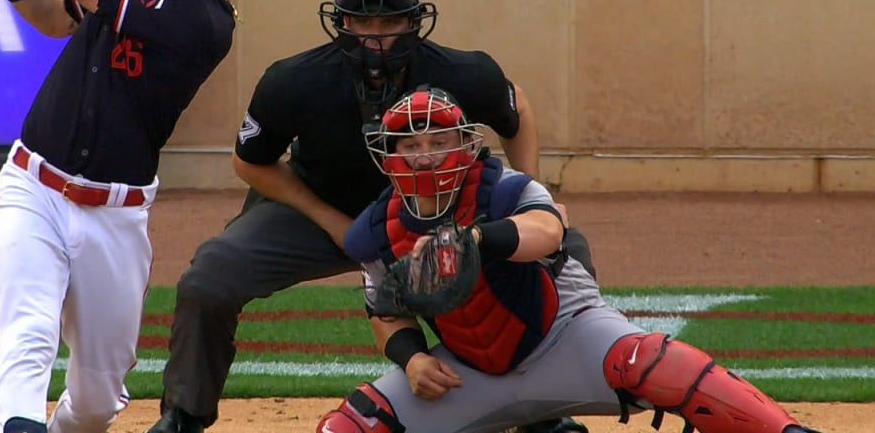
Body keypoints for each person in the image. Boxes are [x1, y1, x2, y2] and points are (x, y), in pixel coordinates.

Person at [148, 0, 593, 433]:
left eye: (389, 24)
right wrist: (330, 220)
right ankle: (185, 414)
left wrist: (531, 194)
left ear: (414, 25)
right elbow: (249, 161)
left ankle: (547, 409)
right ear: (342, 24)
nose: (374, 37)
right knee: (212, 275)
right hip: (321, 202)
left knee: (563, 246)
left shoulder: (463, 70)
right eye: (362, 23)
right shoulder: (293, 79)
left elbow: (515, 107)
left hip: (440, 210)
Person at [0, 0, 266, 433]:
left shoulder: (205, 22)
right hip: (33, 185)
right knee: (28, 339)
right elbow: (54, 17)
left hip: (116, 216)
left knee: (96, 401)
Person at [317, 87, 822, 433]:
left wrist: (471, 240)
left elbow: (548, 230)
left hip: (563, 333)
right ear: (389, 154)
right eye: (411, 144)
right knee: (352, 423)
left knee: (650, 363)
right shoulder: (375, 230)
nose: (425, 156)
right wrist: (412, 358)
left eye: (440, 141)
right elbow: (384, 310)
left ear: (466, 145)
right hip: (467, 369)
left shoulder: (504, 187)